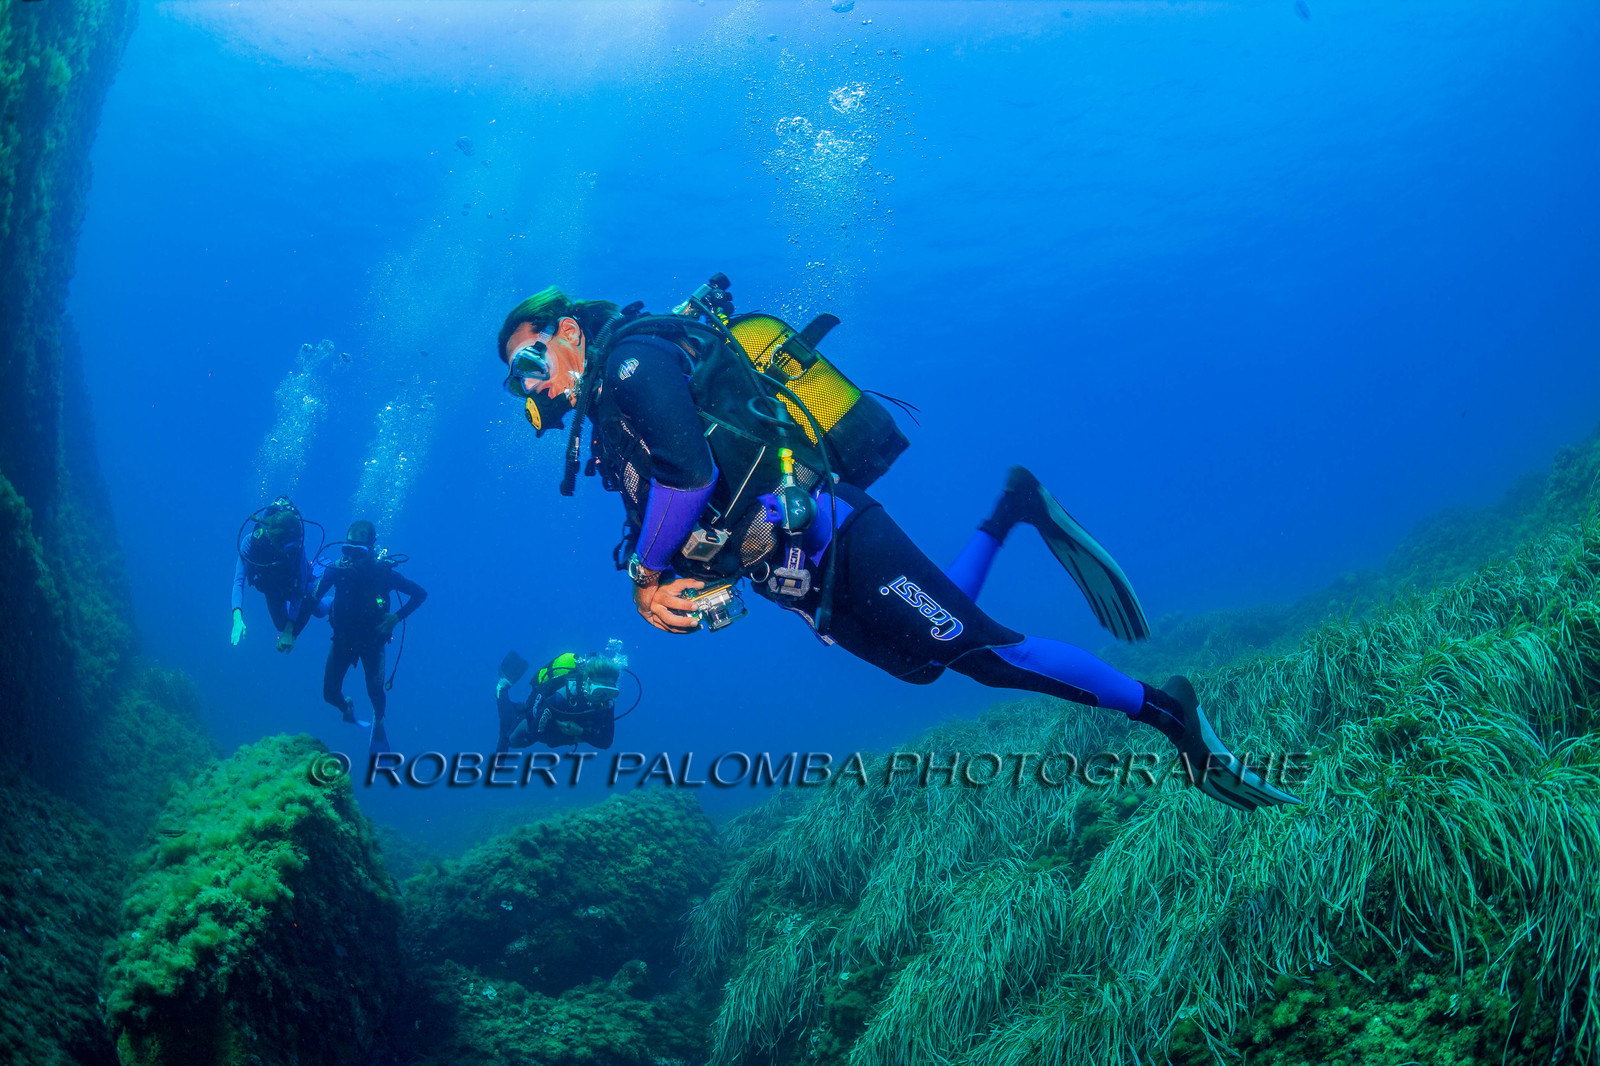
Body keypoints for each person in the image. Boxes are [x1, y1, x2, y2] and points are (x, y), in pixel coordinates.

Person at [493, 280, 1298, 812]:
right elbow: (691, 510)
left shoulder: (632, 359)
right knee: (924, 659)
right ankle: (1013, 508)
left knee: (984, 651)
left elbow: (688, 476)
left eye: (532, 358)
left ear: (569, 331)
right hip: (798, 576)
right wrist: (684, 583)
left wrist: (646, 577)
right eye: (516, 380)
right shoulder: (605, 423)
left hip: (834, 534)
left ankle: (1172, 716)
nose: (533, 384)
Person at [295, 520, 427, 747]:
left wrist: (396, 617)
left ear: (371, 549)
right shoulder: (337, 570)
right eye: (348, 550)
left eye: (359, 551)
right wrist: (291, 631)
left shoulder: (384, 575)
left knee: (376, 693)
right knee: (329, 694)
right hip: (342, 640)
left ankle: (378, 723)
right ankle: (346, 706)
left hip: (373, 643)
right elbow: (311, 600)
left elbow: (420, 594)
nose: (352, 558)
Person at [230, 496, 328, 652]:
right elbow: (238, 581)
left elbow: (300, 586)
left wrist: (290, 632)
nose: (290, 551)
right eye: (286, 547)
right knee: (280, 625)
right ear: (273, 538)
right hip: (273, 587)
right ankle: (294, 609)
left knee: (319, 609)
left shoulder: (295, 547)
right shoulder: (251, 542)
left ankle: (322, 585)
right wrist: (237, 618)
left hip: (297, 584)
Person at [493, 647, 625, 753]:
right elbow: (536, 732)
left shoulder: (607, 702)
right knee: (513, 741)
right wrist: (567, 734)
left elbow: (606, 742)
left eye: (611, 693)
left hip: (561, 723)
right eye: (599, 691)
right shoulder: (562, 696)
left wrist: (579, 732)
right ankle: (502, 688)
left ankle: (519, 708)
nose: (604, 697)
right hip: (540, 712)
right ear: (588, 683)